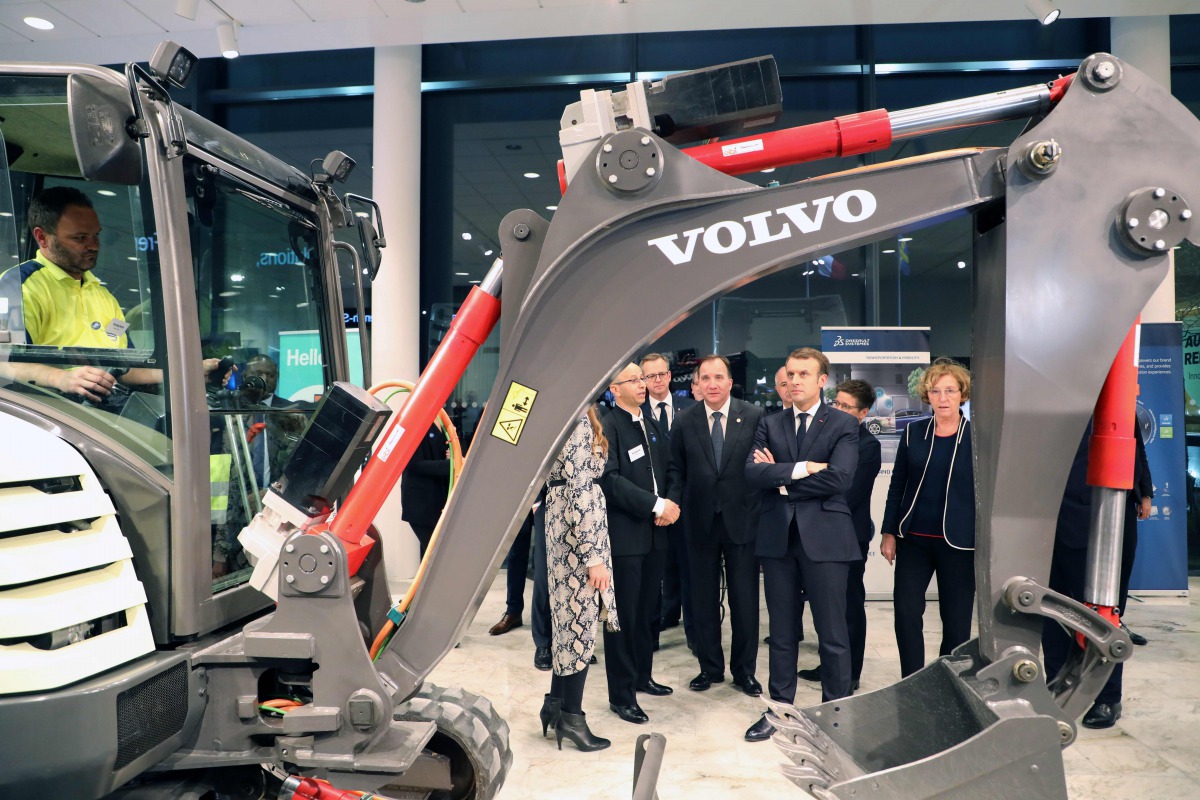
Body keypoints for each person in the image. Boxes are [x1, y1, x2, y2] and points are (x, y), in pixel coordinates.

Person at [1, 186, 221, 399]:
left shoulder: (105, 297)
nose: (94, 246)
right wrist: (61, 378)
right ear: (42, 237)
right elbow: (4, 362)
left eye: (95, 235)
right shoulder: (16, 287)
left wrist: (189, 374)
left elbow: (125, 369)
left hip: (102, 409)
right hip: (51, 412)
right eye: (80, 238)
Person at [744, 347, 860, 741]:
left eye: (803, 374)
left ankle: (836, 716)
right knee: (781, 632)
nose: (794, 381)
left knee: (832, 633)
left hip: (826, 539)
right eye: (790, 374)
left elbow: (840, 478)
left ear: (822, 380)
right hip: (778, 539)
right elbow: (752, 473)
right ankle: (780, 711)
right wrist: (804, 468)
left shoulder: (843, 423)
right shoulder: (770, 422)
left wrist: (780, 479)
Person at [1043, 418, 1151, 729]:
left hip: (1099, 520)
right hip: (1046, 520)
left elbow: (1135, 448)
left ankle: (1107, 698)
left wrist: (1145, 493)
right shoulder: (1044, 402)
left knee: (1101, 615)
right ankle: (1056, 686)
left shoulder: (1110, 399)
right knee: (1051, 612)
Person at [667, 354, 763, 697]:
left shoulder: (753, 415)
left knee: (744, 600)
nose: (712, 384)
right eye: (705, 378)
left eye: (718, 377)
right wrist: (672, 505)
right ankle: (710, 668)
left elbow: (762, 464)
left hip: (742, 521)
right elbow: (675, 469)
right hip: (698, 521)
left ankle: (744, 672)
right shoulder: (685, 419)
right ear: (697, 383)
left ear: (730, 382)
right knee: (703, 600)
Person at [880, 358, 976, 678]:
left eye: (950, 390)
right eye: (935, 391)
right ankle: (912, 680)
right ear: (927, 395)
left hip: (959, 543)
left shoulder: (976, 437)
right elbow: (898, 485)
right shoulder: (914, 432)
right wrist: (889, 532)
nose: (943, 398)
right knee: (906, 613)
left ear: (962, 394)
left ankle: (946, 682)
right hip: (914, 540)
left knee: (956, 622)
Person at [600, 362, 679, 724]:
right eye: (633, 380)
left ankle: (642, 676)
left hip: (657, 534)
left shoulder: (651, 423)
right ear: (614, 389)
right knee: (624, 617)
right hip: (626, 537)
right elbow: (610, 480)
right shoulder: (608, 425)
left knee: (648, 612)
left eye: (642, 378)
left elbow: (672, 469)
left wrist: (670, 504)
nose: (642, 384)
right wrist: (655, 505)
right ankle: (622, 695)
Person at [539, 408, 619, 751]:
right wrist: (593, 556)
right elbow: (579, 489)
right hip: (577, 539)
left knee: (567, 625)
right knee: (579, 627)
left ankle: (555, 706)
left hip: (563, 527)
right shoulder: (577, 422)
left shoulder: (565, 416)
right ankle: (572, 717)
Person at [798, 379, 881, 692]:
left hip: (848, 536)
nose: (839, 410)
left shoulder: (868, 446)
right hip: (818, 531)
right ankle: (830, 666)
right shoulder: (825, 435)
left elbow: (846, 491)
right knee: (825, 607)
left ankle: (851, 673)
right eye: (837, 403)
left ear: (863, 413)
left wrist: (807, 485)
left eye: (847, 407)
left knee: (848, 605)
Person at [639, 352, 695, 648]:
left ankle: (694, 636)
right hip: (652, 506)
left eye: (661, 374)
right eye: (650, 376)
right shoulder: (636, 412)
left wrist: (676, 500)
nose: (657, 380)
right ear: (643, 380)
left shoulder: (691, 409)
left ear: (670, 376)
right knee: (655, 572)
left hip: (688, 503)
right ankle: (656, 628)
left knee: (689, 570)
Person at [401, 423, 451, 557]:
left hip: (439, 499)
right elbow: (414, 464)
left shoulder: (443, 422)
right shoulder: (417, 422)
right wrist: (449, 465)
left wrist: (450, 458)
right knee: (436, 554)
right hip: (421, 503)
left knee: (431, 555)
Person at [488, 512, 535, 636]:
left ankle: (545, 616)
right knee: (515, 555)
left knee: (545, 557)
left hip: (547, 502)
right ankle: (513, 612)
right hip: (523, 503)